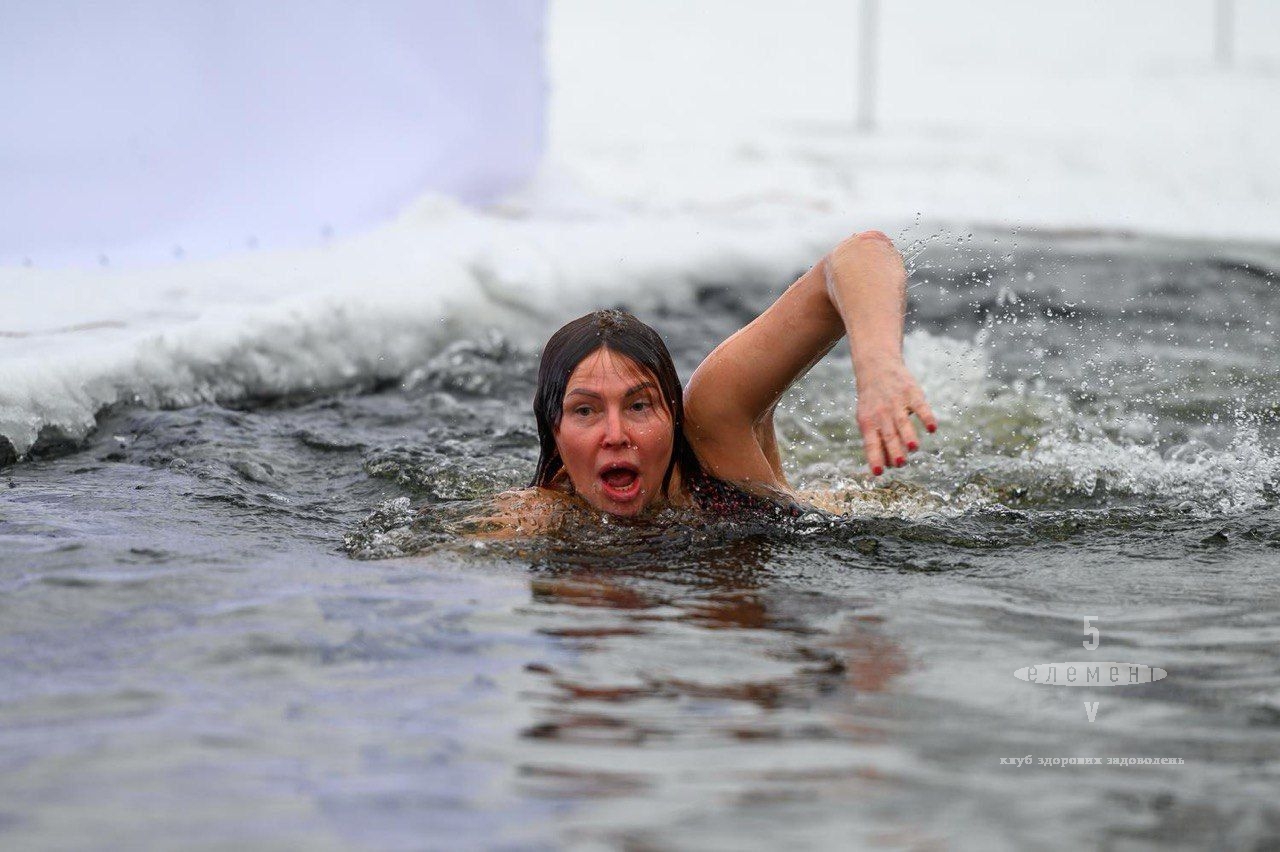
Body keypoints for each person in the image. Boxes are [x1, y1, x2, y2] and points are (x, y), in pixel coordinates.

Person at [494, 230, 937, 526]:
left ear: (673, 417)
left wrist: (878, 368)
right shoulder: (538, 516)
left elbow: (862, 252)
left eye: (639, 405)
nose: (616, 435)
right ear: (554, 432)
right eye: (585, 411)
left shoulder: (711, 430)